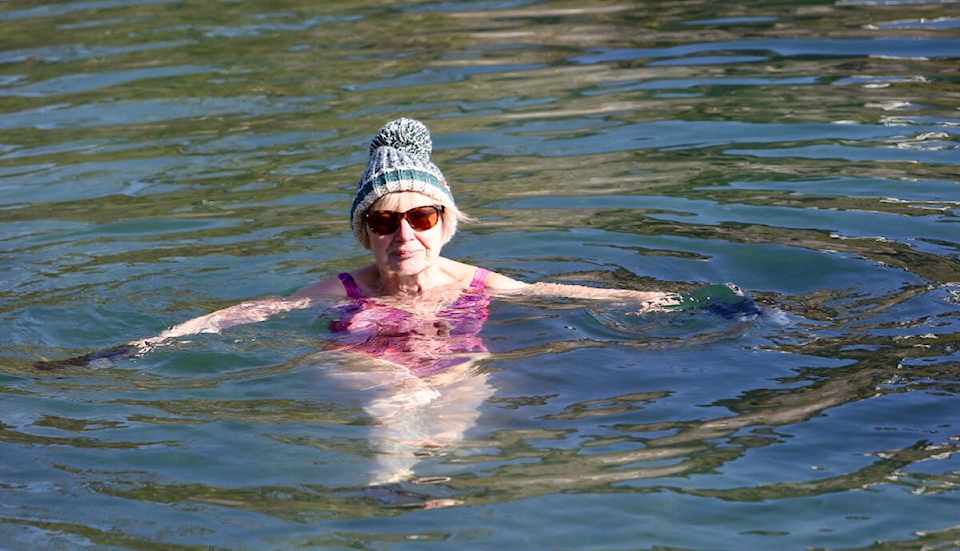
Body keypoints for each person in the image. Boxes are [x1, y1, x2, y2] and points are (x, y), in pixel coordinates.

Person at [39, 117, 727, 486]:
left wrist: (681, 302)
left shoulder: (481, 284)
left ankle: (425, 512)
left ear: (445, 222)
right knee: (398, 397)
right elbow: (241, 316)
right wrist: (139, 347)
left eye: (421, 218)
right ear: (365, 231)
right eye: (384, 220)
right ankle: (386, 487)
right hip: (361, 363)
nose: (404, 234)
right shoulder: (335, 292)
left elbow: (569, 292)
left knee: (450, 427)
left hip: (454, 362)